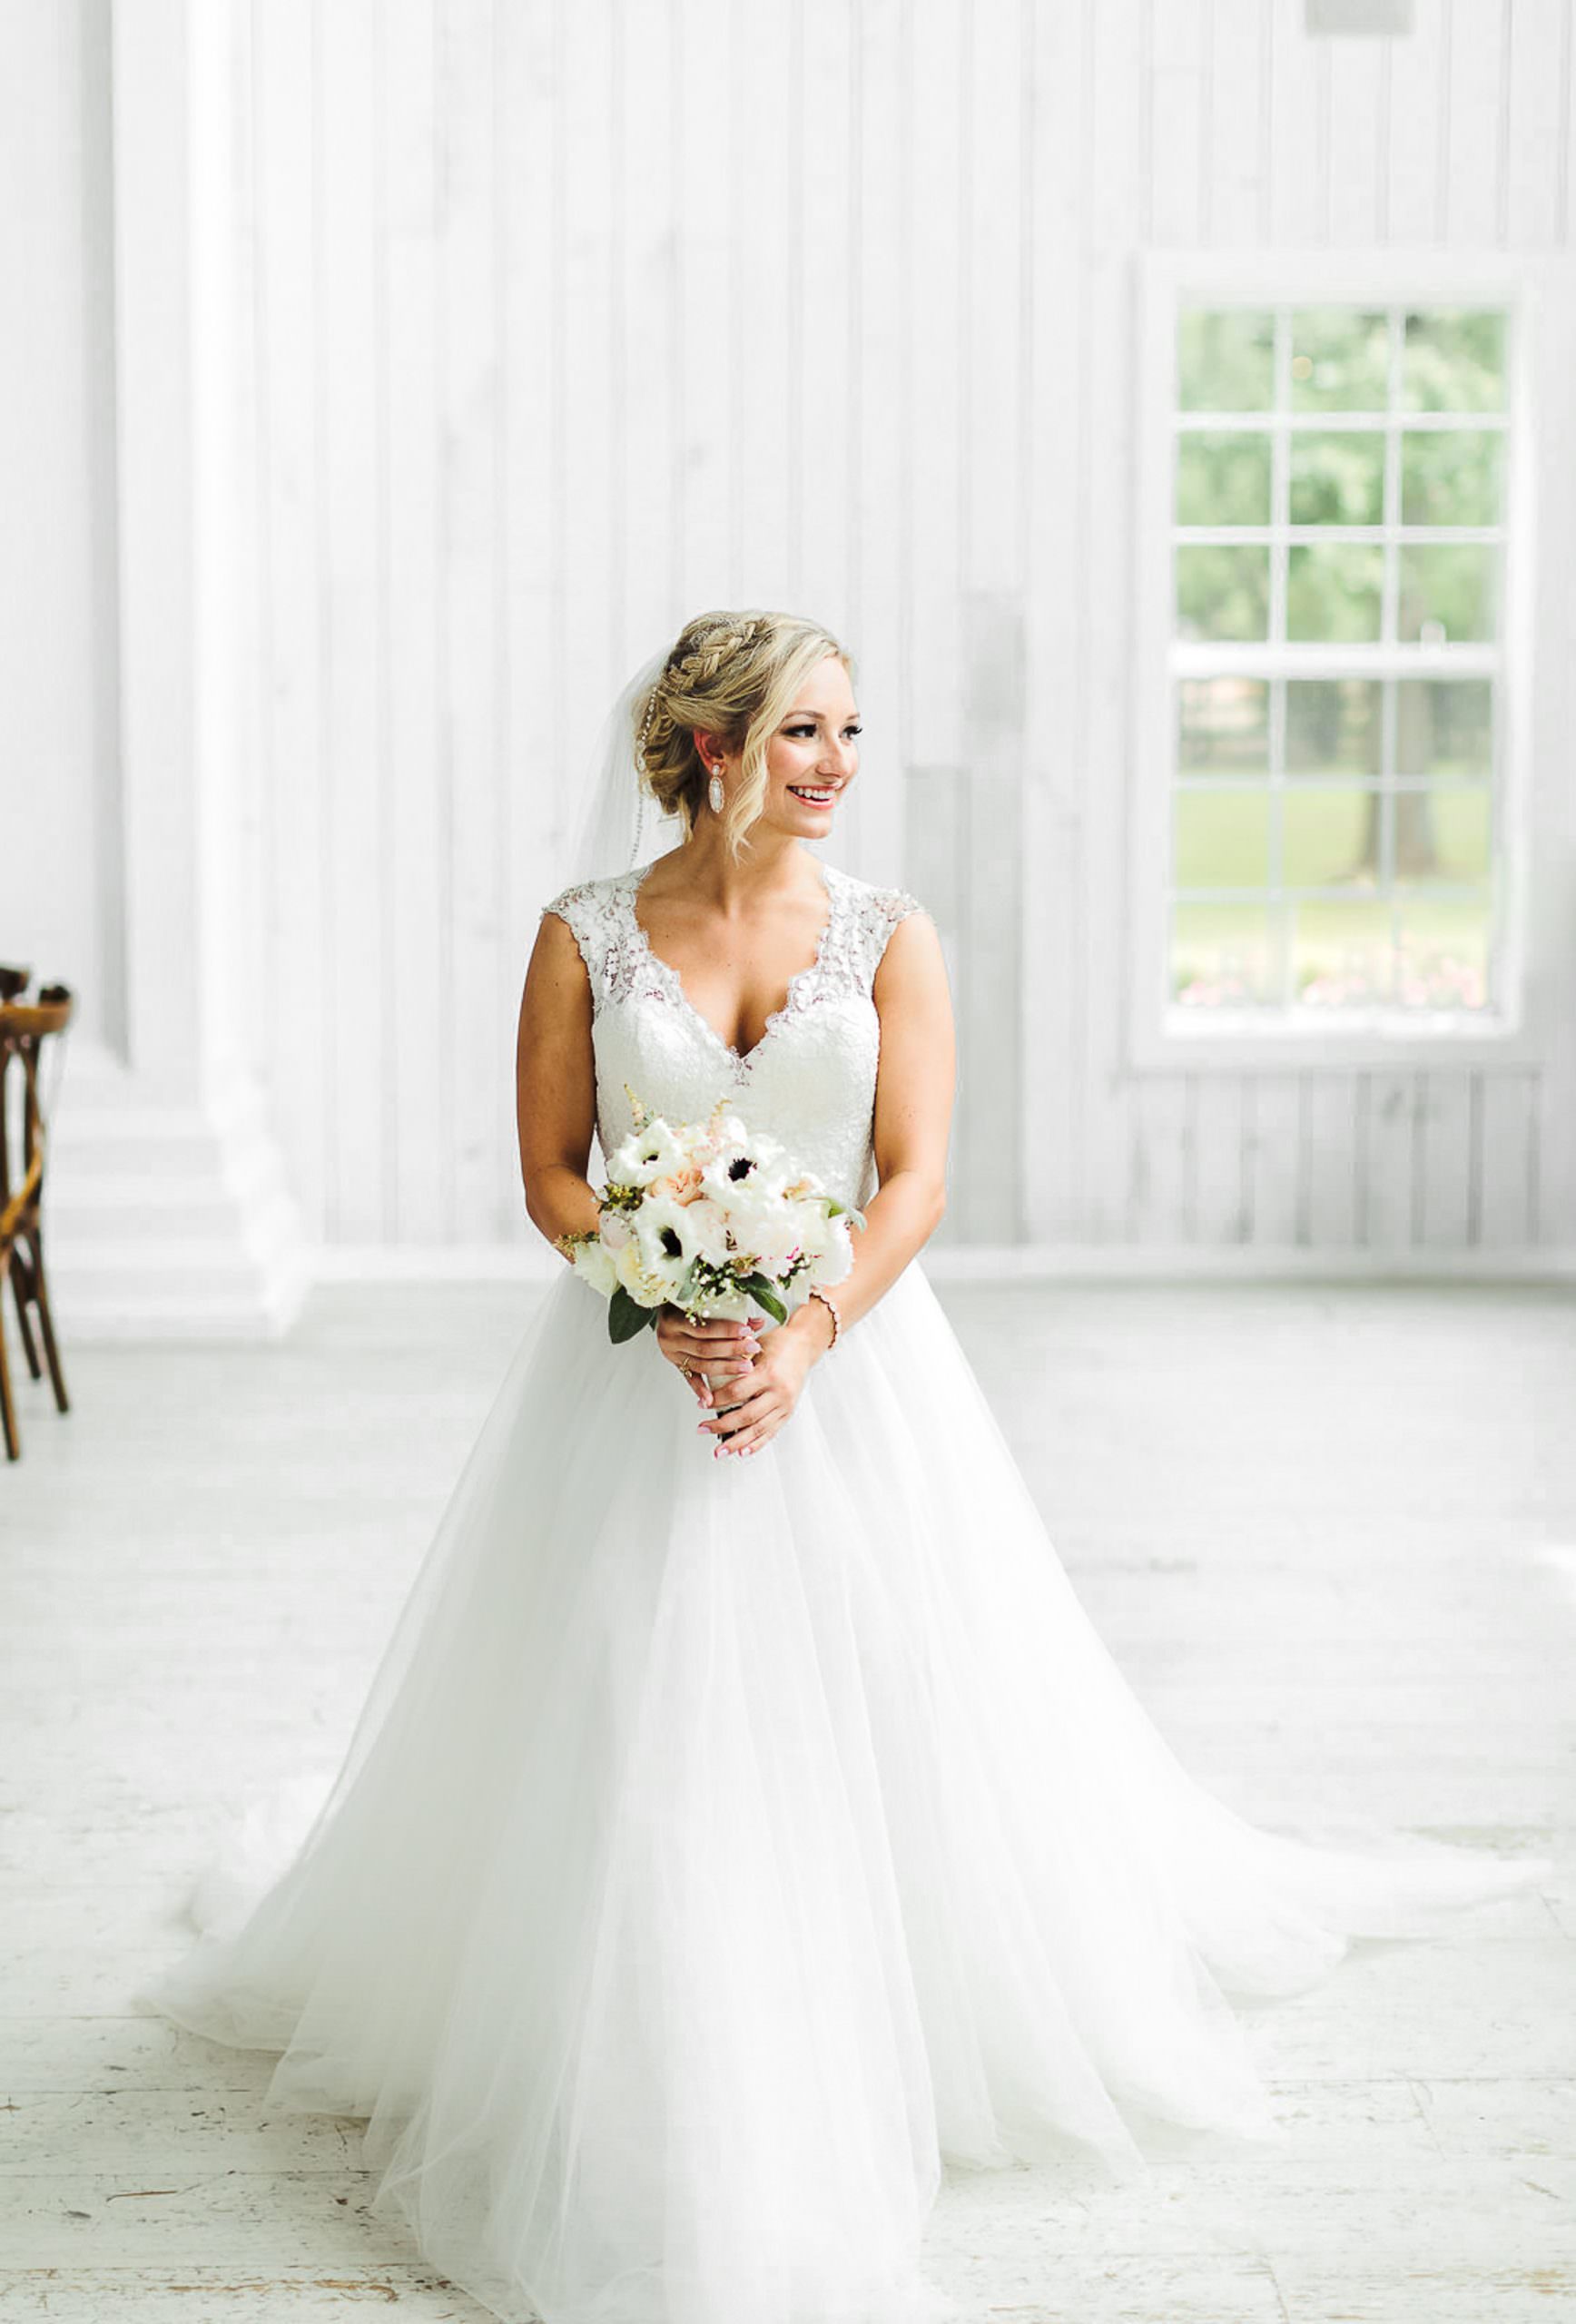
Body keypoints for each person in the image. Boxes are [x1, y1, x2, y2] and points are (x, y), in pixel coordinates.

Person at [137, 608, 1552, 2324]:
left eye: (852, 735)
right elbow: (550, 1175)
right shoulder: (587, 933)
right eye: (806, 734)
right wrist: (658, 1290)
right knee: (622, 1697)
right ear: (715, 746)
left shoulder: (888, 933)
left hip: (850, 1372)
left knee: (893, 1704)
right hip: (639, 1382)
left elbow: (916, 1181)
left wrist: (799, 1338)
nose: (837, 769)